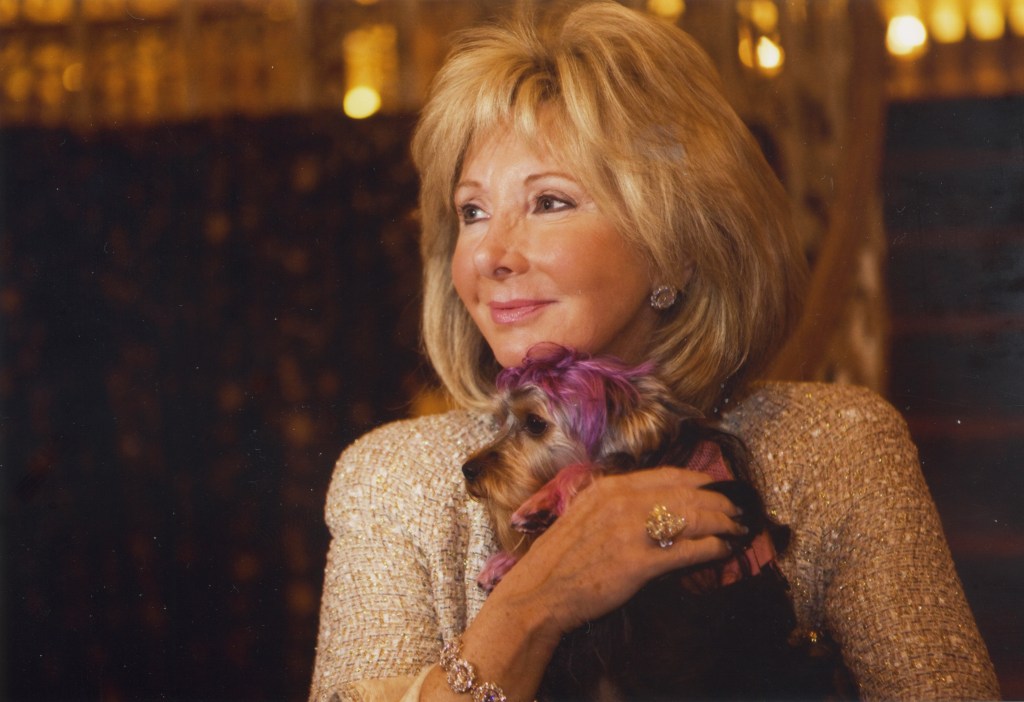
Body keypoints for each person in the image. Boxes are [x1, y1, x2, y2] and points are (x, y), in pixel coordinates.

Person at [309, 3, 1000, 700]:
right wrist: (533, 606)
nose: (489, 253)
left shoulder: (836, 448)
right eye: (472, 211)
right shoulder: (396, 482)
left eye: (549, 201)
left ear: (674, 246)